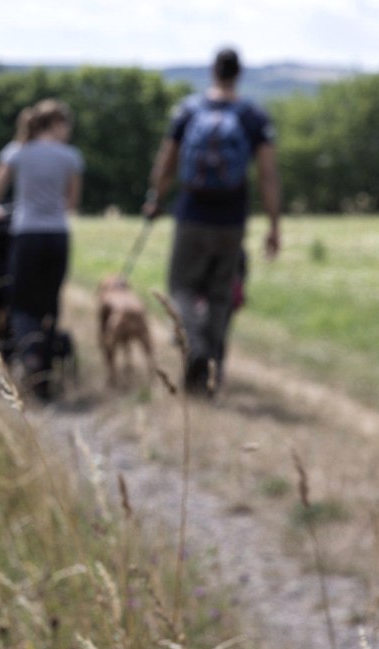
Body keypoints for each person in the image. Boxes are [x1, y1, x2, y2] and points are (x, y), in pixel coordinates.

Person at [143, 48, 281, 397]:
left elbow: (166, 161)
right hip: (232, 219)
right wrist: (273, 225)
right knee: (220, 296)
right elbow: (268, 175)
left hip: (191, 213)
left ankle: (195, 349)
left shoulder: (188, 111)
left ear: (213, 71)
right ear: (239, 74)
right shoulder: (253, 116)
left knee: (181, 288)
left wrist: (156, 198)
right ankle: (210, 371)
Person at [0, 99, 84, 401]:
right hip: (57, 236)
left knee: (23, 302)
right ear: (57, 124)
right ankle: (46, 366)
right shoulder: (70, 157)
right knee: (49, 302)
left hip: (26, 235)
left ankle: (30, 358)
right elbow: (72, 204)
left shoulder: (17, 151)